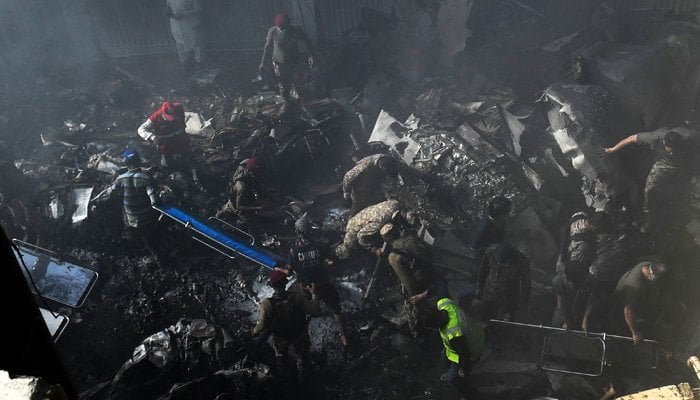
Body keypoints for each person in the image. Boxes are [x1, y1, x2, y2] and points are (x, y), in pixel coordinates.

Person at [603, 129, 692, 233]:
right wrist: (612, 149)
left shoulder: (689, 136)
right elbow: (630, 138)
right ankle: (649, 216)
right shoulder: (654, 137)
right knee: (649, 189)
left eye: (675, 150)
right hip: (666, 163)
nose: (672, 152)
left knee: (686, 183)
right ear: (664, 142)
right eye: (670, 150)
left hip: (686, 160)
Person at [279, 215, 348, 346]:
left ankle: (310, 322)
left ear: (297, 232)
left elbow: (288, 273)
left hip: (306, 287)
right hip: (323, 283)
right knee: (336, 310)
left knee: (304, 306)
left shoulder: (294, 251)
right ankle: (344, 336)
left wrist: (278, 269)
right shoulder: (321, 246)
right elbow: (331, 259)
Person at [252, 270, 321, 381]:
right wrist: (314, 295)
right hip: (299, 334)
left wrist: (254, 332)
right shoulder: (297, 298)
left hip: (281, 337)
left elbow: (262, 325)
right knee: (303, 356)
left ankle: (288, 379)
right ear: (285, 283)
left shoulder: (266, 304)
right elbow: (315, 311)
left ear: (272, 285)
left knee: (282, 359)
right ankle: (304, 376)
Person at [380, 222, 446, 334]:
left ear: (386, 239)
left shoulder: (393, 257)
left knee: (436, 309)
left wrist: (415, 297)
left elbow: (408, 281)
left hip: (423, 284)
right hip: (434, 273)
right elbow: (432, 251)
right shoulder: (411, 239)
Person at [424, 297, 484, 398]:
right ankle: (451, 372)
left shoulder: (453, 333)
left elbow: (465, 355)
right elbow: (437, 291)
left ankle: (471, 395)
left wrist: (464, 371)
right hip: (474, 332)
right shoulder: (444, 303)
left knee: (453, 378)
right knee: (443, 354)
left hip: (473, 348)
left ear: (437, 324)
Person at [258, 13, 316, 115]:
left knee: (299, 85)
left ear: (288, 24)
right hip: (279, 64)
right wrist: (263, 63)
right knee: (284, 87)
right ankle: (287, 102)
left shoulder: (296, 30)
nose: (282, 29)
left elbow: (307, 41)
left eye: (284, 27)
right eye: (280, 28)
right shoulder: (273, 31)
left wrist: (311, 55)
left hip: (295, 63)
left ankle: (304, 105)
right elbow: (267, 47)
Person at [342, 153, 432, 214]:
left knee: (382, 204)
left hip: (376, 183)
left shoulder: (392, 161)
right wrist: (346, 193)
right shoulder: (365, 166)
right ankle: (352, 220)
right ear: (382, 168)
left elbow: (406, 169)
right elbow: (348, 176)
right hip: (361, 185)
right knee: (359, 206)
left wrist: (423, 176)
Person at [103, 150, 160, 245]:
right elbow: (154, 201)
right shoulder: (146, 178)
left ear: (126, 163)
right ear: (139, 160)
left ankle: (130, 238)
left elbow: (110, 193)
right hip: (147, 220)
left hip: (130, 220)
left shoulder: (120, 178)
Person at [613, 260, 668, 344]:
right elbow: (627, 311)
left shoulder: (647, 264)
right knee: (642, 321)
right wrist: (635, 333)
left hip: (635, 295)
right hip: (620, 305)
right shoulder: (635, 286)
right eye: (656, 279)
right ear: (652, 276)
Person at [476, 242, 531, 321]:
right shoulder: (491, 253)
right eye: (498, 263)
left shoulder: (521, 261)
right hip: (490, 292)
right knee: (487, 316)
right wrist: (479, 287)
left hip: (508, 297)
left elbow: (526, 284)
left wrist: (523, 303)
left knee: (506, 321)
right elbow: (483, 271)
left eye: (503, 264)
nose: (500, 265)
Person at [334, 199, 402, 259]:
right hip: (390, 203)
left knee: (383, 233)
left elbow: (361, 235)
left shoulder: (358, 238)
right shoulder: (349, 224)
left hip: (389, 212)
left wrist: (374, 249)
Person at [0, 160, 46, 244]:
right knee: (19, 218)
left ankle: (42, 236)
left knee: (31, 217)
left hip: (22, 194)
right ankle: (30, 234)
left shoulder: (6, 166)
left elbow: (19, 180)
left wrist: (24, 194)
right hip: (11, 198)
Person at [471, 196, 512, 274]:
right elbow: (474, 247)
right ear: (501, 215)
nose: (508, 215)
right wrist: (491, 248)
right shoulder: (483, 229)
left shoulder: (500, 219)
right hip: (485, 258)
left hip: (498, 246)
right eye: (508, 212)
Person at [552, 261, 596, 332]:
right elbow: (561, 303)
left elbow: (590, 302)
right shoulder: (558, 281)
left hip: (581, 312)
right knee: (559, 329)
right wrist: (566, 322)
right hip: (563, 313)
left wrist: (585, 321)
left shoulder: (591, 281)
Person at [163, 0, 204, 71]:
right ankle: (184, 63)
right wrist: (167, 11)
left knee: (196, 44)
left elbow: (199, 9)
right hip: (176, 25)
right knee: (180, 45)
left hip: (190, 24)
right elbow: (168, 7)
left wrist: (184, 14)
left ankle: (199, 63)